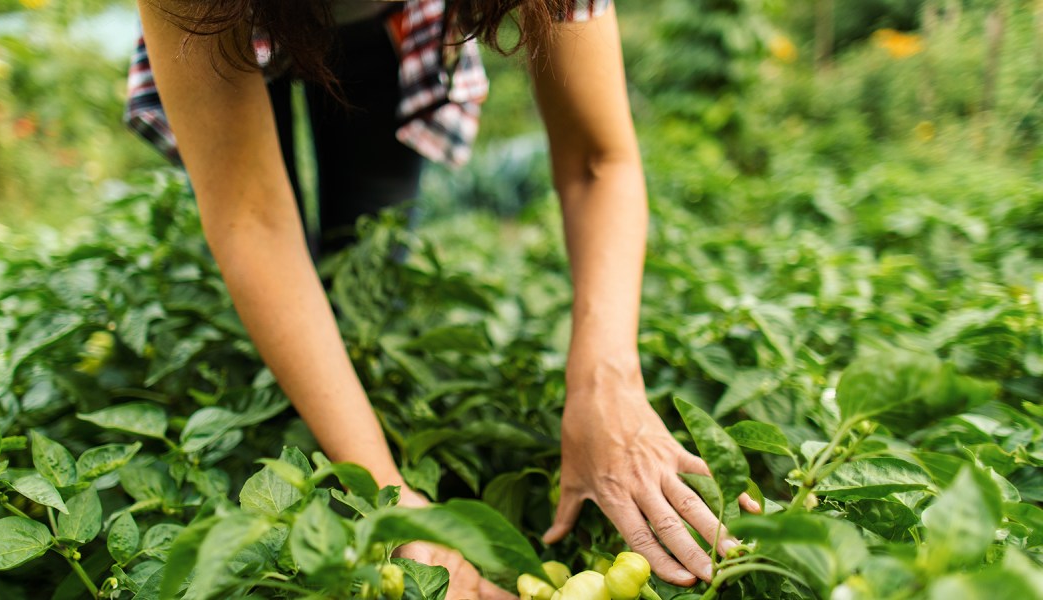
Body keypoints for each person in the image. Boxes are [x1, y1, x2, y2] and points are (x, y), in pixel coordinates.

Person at [128, 1, 761, 596]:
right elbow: (252, 219)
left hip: (389, 29)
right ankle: (323, 421)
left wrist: (607, 381)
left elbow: (599, 158)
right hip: (237, 18)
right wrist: (387, 499)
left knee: (367, 267)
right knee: (276, 237)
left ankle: (352, 387)